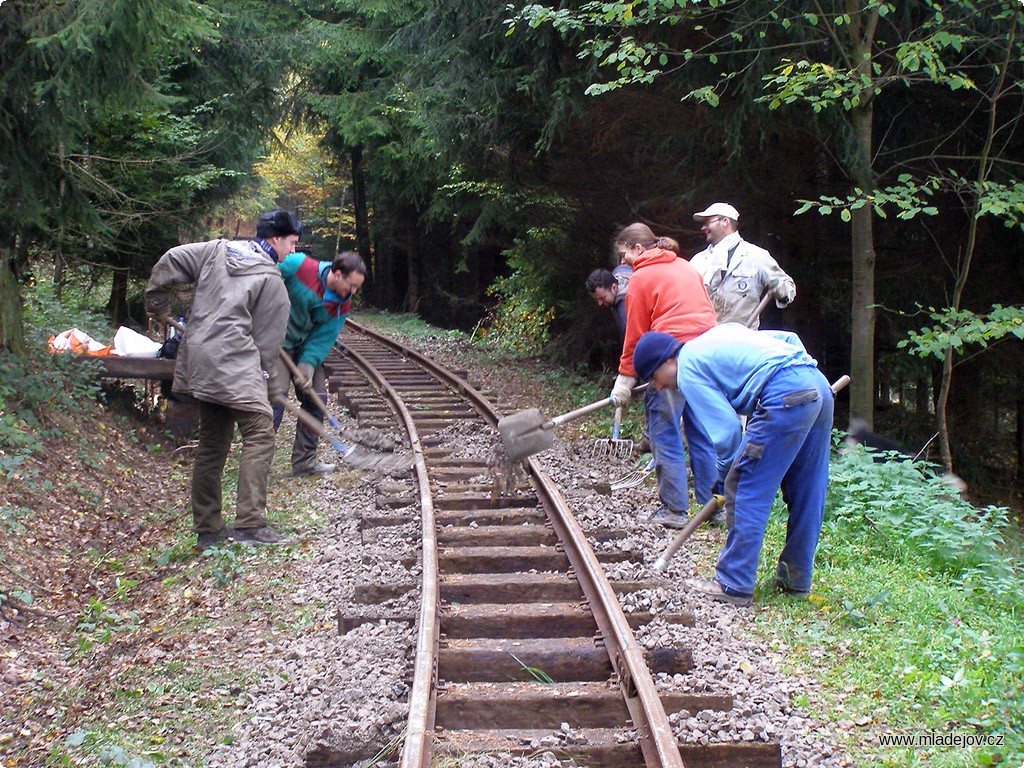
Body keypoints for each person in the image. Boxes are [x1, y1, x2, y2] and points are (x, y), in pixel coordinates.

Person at [633, 326, 834, 606]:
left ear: (668, 361)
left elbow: (727, 433)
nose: (657, 386)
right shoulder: (717, 336)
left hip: (784, 394)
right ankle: (796, 580)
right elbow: (790, 338)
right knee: (808, 490)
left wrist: (728, 476)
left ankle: (734, 583)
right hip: (817, 385)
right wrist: (800, 378)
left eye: (653, 377)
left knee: (745, 487)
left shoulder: (687, 369)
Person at [145, 209, 302, 550]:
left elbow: (171, 259)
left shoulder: (215, 250)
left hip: (198, 359)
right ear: (275, 239)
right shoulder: (272, 280)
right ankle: (250, 524)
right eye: (291, 243)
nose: (292, 251)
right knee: (260, 432)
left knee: (214, 441)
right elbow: (267, 345)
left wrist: (156, 302)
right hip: (234, 361)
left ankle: (209, 530)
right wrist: (265, 383)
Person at [609, 223, 719, 528]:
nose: (623, 263)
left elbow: (637, 335)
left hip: (669, 359)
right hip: (707, 354)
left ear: (637, 249)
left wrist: (625, 378)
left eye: (624, 254)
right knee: (702, 430)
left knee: (664, 431)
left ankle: (674, 510)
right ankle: (714, 506)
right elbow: (707, 311)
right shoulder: (686, 267)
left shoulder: (641, 278)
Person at [272, 250, 367, 476]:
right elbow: (263, 278)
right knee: (275, 398)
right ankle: (259, 460)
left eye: (357, 288)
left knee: (316, 398)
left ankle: (304, 462)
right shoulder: (299, 266)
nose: (352, 292)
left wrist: (308, 363)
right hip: (276, 341)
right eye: (351, 285)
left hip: (303, 345)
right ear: (336, 274)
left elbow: (324, 337)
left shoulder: (342, 305)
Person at [690, 203, 796, 328]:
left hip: (744, 340)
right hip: (704, 337)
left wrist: (781, 289)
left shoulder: (756, 256)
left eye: (708, 222)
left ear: (725, 221)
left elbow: (788, 287)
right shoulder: (697, 261)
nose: (703, 228)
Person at [585, 268, 628, 338]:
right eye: (596, 300)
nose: (599, 303)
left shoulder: (625, 312)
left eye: (602, 298)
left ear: (614, 288)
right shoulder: (622, 271)